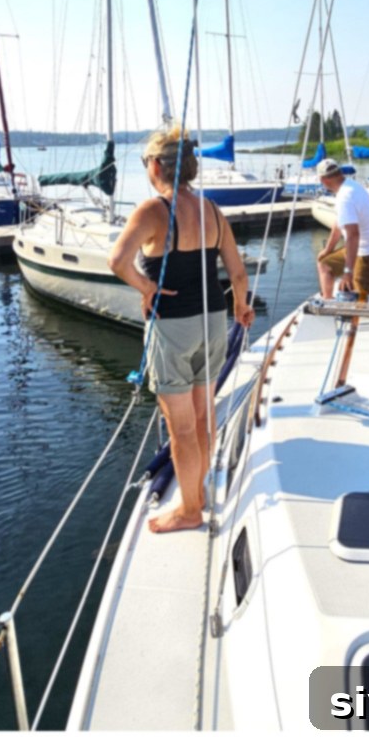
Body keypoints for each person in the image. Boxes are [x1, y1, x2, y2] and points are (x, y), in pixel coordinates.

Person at [108, 128, 255, 533]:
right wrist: (241, 307)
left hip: (173, 327)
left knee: (181, 428)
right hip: (213, 322)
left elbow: (117, 261)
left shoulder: (152, 211)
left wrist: (146, 287)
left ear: (157, 166)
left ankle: (190, 508)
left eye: (146, 162)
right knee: (204, 417)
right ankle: (198, 493)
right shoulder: (213, 211)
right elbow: (238, 273)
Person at [313, 159, 369, 302]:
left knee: (363, 296)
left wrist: (348, 272)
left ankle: (367, 313)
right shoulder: (349, 186)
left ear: (323, 180)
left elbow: (353, 235)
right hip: (362, 248)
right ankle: (328, 302)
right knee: (325, 264)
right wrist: (328, 250)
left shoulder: (345, 197)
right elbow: (338, 223)